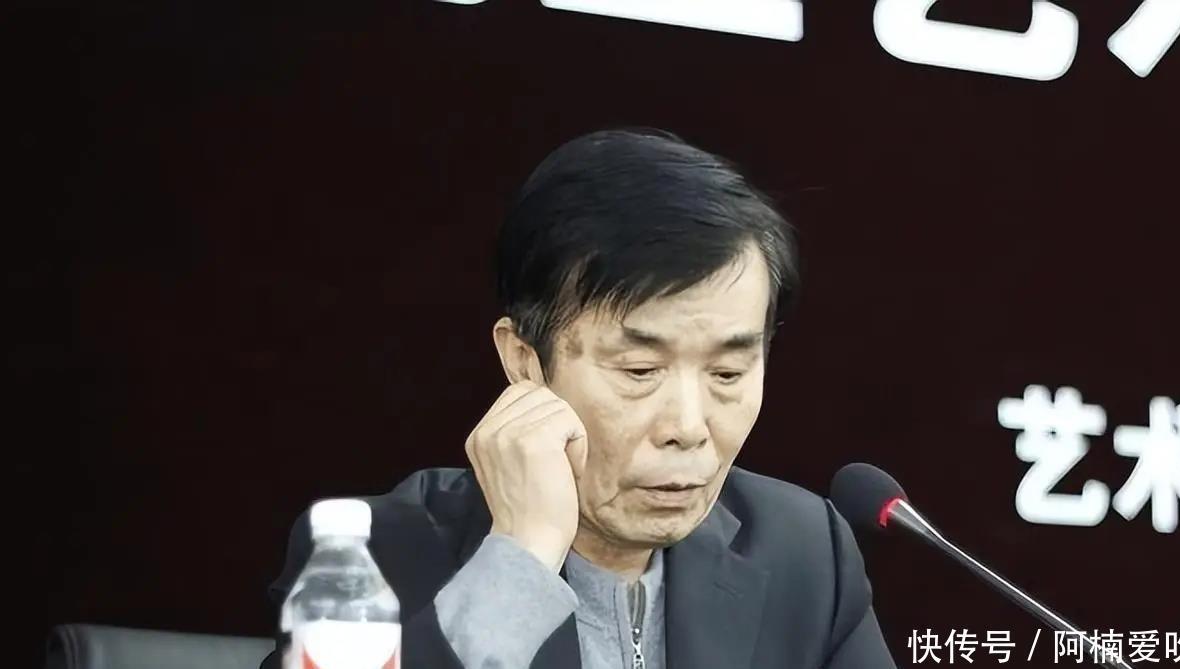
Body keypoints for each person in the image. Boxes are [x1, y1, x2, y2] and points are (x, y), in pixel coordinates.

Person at [261, 128, 897, 669]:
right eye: (640, 369)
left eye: (728, 373)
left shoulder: (804, 553)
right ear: (525, 362)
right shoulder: (369, 561)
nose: (688, 426)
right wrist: (520, 560)